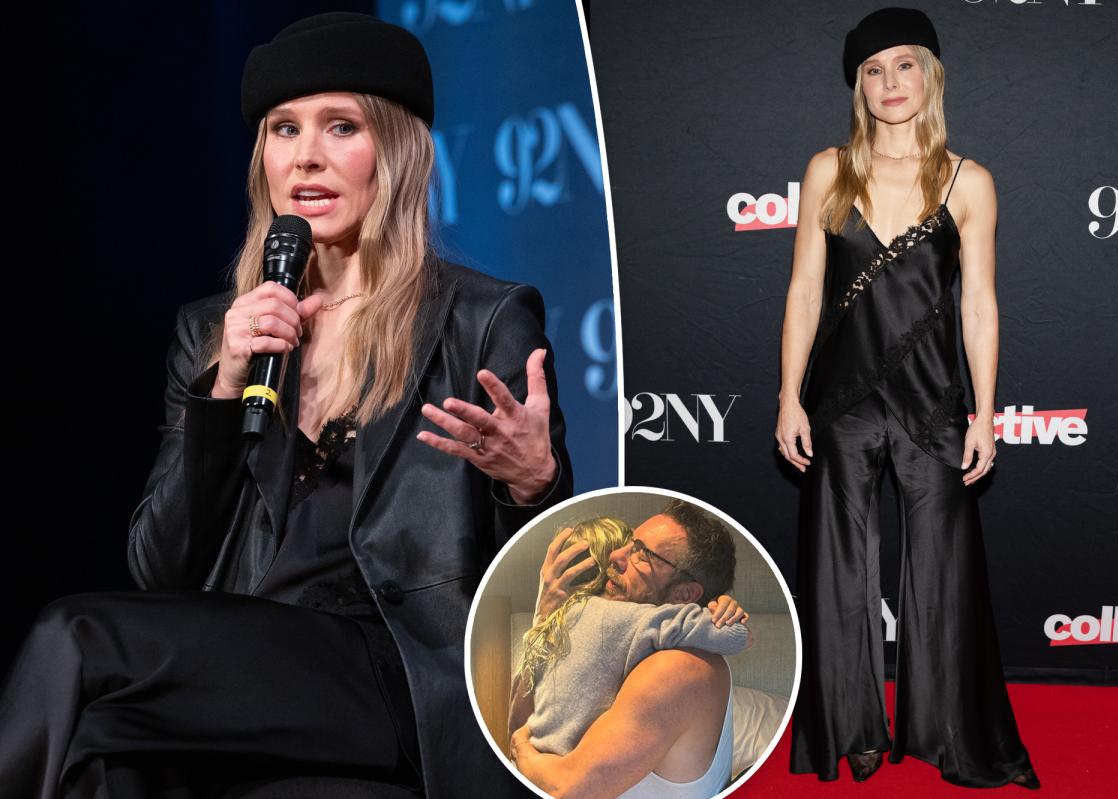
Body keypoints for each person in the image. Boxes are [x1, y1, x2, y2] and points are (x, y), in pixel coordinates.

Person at [0, 12, 570, 799]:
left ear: (396, 154)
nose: (306, 156)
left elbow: (543, 600)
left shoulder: (483, 319)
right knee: (98, 755)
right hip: (245, 670)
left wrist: (531, 483)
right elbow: (160, 569)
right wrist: (222, 388)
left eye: (341, 127)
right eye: (284, 129)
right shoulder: (216, 330)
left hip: (394, 672)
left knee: (74, 635)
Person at [775, 7, 1038, 790]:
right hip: (840, 400)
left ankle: (949, 732)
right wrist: (788, 395)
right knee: (837, 571)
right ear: (859, 87)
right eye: (873, 70)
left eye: (904, 64)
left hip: (932, 401)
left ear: (930, 75)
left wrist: (985, 412)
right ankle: (849, 731)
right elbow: (804, 290)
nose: (890, 82)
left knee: (945, 572)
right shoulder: (828, 171)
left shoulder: (969, 180)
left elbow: (979, 304)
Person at [510, 500, 741, 799]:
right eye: (631, 543)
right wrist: (543, 619)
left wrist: (521, 749)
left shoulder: (680, 668)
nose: (615, 557)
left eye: (641, 553)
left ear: (685, 594)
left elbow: (565, 790)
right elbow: (521, 724)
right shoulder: (619, 643)